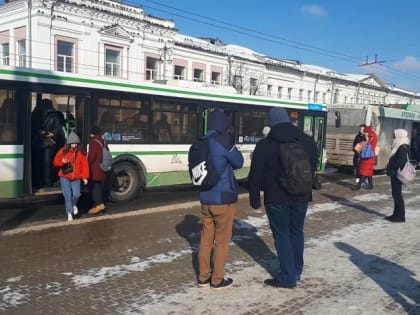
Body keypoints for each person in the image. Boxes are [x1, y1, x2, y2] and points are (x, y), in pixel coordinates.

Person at [248, 107, 317, 289]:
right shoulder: (307, 141)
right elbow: (313, 167)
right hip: (302, 195)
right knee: (296, 232)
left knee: (282, 235)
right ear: (288, 120)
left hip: (276, 197)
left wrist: (254, 198)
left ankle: (288, 277)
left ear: (271, 123)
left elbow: (255, 174)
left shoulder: (265, 144)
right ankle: (297, 270)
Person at [197, 109, 244, 290]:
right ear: (223, 125)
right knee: (222, 240)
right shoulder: (223, 141)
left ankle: (203, 276)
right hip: (223, 199)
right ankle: (217, 280)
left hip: (205, 198)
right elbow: (238, 163)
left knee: (206, 238)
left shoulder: (202, 141)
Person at [53, 132, 89, 221]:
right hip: (65, 177)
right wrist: (62, 161)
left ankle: (73, 205)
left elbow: (85, 166)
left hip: (76, 177)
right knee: (67, 196)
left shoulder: (81, 152)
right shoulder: (63, 151)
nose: (74, 145)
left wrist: (85, 177)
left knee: (77, 194)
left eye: (75, 143)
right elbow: (55, 162)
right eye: (72, 143)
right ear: (69, 143)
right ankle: (69, 213)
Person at [385, 129, 410, 223]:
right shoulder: (400, 145)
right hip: (395, 173)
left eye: (394, 135)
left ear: (399, 136)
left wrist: (393, 168)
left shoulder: (402, 146)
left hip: (397, 174)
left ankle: (400, 216)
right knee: (396, 194)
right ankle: (396, 214)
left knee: (397, 194)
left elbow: (401, 160)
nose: (393, 137)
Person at [41, 99, 65, 187]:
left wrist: (52, 134)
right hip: (45, 142)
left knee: (48, 161)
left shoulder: (54, 117)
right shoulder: (42, 115)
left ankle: (48, 180)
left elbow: (57, 130)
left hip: (51, 142)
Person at [88, 126, 108, 215]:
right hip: (102, 168)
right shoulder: (103, 141)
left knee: (95, 188)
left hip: (95, 169)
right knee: (100, 187)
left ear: (93, 133)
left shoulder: (93, 143)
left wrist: (87, 164)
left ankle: (98, 205)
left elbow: (92, 157)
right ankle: (101, 204)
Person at [352, 125, 377, 190]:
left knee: (364, 172)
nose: (364, 133)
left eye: (365, 131)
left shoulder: (372, 136)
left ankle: (358, 186)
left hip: (369, 157)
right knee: (368, 171)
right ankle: (370, 185)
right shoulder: (370, 136)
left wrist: (366, 137)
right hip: (366, 156)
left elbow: (369, 145)